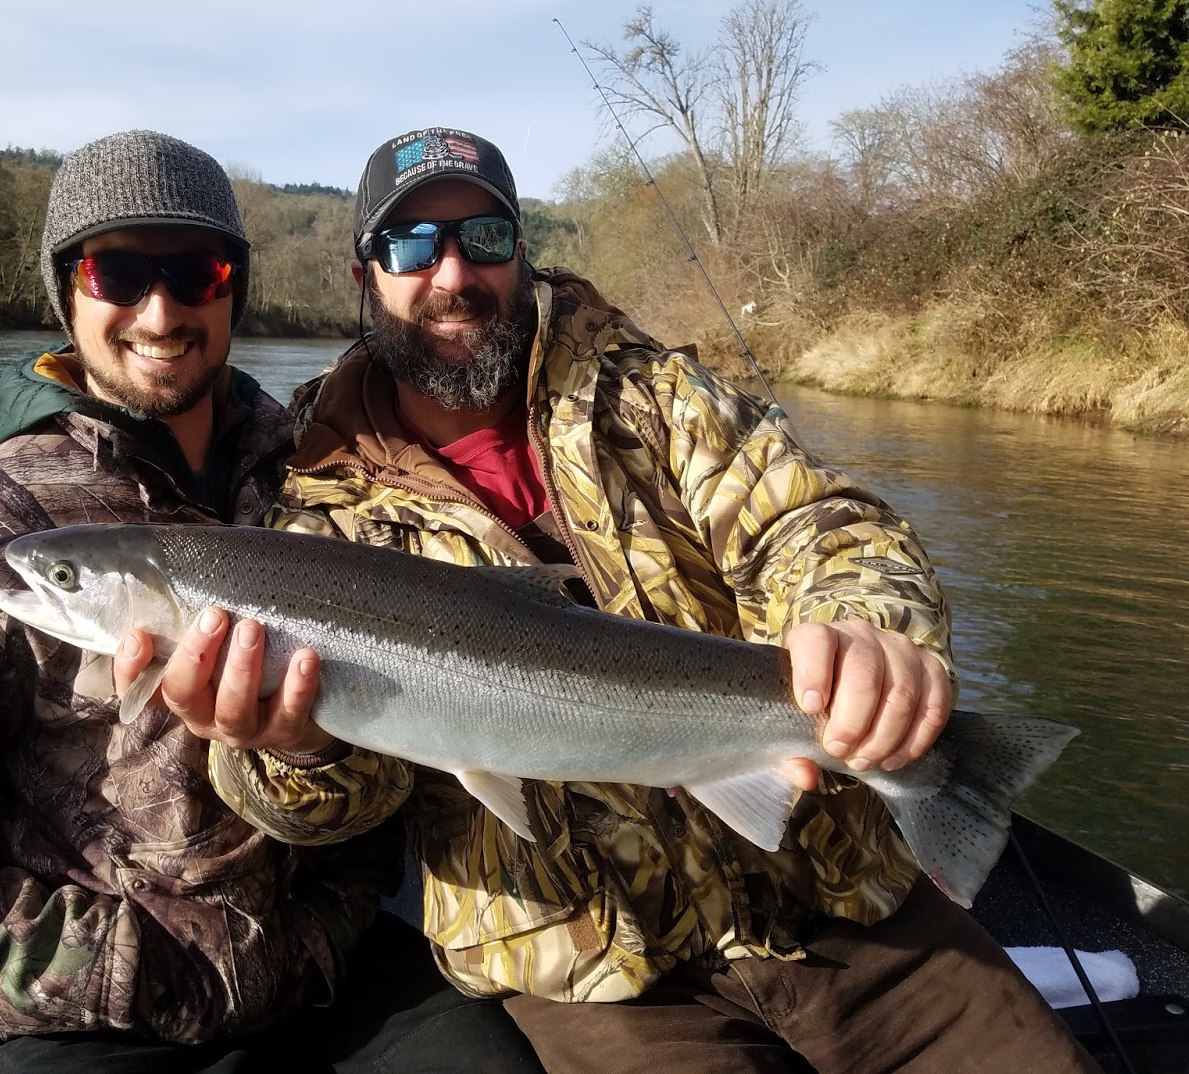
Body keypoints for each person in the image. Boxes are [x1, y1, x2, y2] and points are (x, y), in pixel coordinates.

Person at [118, 127, 1101, 1072]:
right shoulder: (308, 505)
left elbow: (816, 524)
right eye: (411, 244)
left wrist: (862, 626)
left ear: (521, 255)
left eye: (484, 239)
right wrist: (295, 752)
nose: (452, 274)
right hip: (586, 967)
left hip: (837, 898)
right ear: (363, 277)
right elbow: (339, 813)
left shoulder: (657, 397)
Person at [0, 129, 545, 1073]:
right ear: (65, 291)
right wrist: (141, 973)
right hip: (100, 1022)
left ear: (233, 288)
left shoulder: (326, 476)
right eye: (117, 273)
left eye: (197, 269)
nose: (161, 308)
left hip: (343, 970)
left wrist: (317, 770)